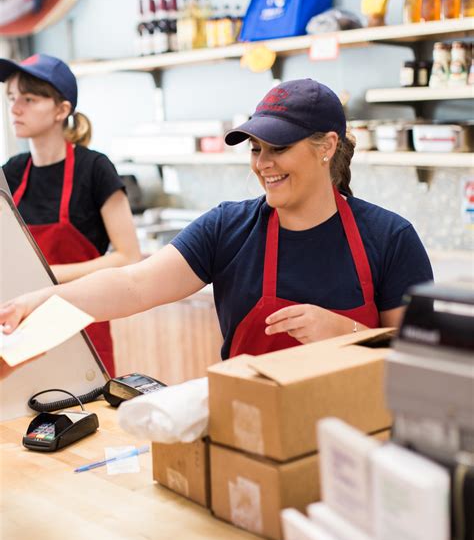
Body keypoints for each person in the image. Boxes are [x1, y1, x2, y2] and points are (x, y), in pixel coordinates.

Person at [0, 78, 433, 361]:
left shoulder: (390, 238)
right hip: (251, 424)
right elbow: (133, 284)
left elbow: (424, 359)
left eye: (278, 148)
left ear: (327, 146)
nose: (263, 163)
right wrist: (40, 300)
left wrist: (352, 334)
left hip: (358, 437)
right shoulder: (228, 228)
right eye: (255, 148)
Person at [0, 53, 141, 375]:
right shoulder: (12, 172)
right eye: (11, 98)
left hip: (79, 318)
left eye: (29, 99)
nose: (15, 108)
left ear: (62, 110)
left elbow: (128, 257)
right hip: (20, 325)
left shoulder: (95, 169)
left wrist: (46, 276)